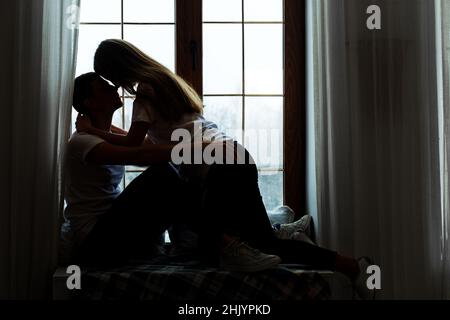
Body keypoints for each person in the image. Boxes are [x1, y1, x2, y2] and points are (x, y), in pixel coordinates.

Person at [74, 38, 368, 286]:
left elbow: (135, 147)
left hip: (218, 166)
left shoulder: (145, 95)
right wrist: (106, 130)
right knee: (259, 242)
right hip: (234, 156)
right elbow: (150, 144)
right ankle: (348, 264)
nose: (114, 87)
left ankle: (293, 240)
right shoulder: (164, 85)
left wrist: (92, 130)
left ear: (119, 70)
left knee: (226, 243)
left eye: (111, 79)